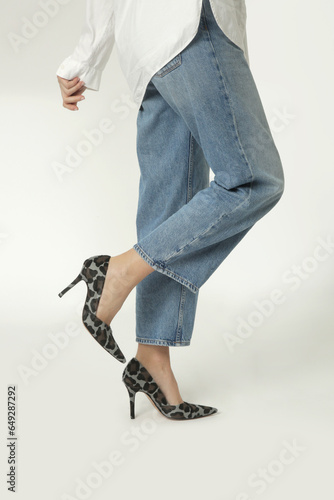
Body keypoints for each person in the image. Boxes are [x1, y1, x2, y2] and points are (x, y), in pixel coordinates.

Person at [56, 0, 284, 420]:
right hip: (193, 25)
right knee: (252, 180)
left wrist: (84, 57)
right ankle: (117, 273)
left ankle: (151, 358)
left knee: (170, 201)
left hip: (146, 44)